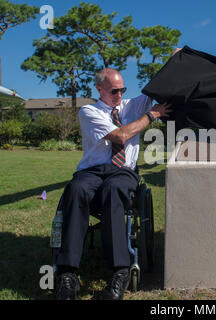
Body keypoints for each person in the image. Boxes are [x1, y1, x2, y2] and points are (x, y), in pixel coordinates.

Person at [55, 68, 171, 300]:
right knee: (76, 189)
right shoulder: (89, 111)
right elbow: (120, 136)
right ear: (99, 89)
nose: (120, 94)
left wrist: (174, 60)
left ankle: (120, 272)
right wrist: (151, 116)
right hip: (92, 170)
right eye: (114, 91)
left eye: (122, 90)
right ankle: (67, 275)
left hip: (122, 171)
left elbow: (157, 83)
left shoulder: (132, 105)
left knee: (113, 189)